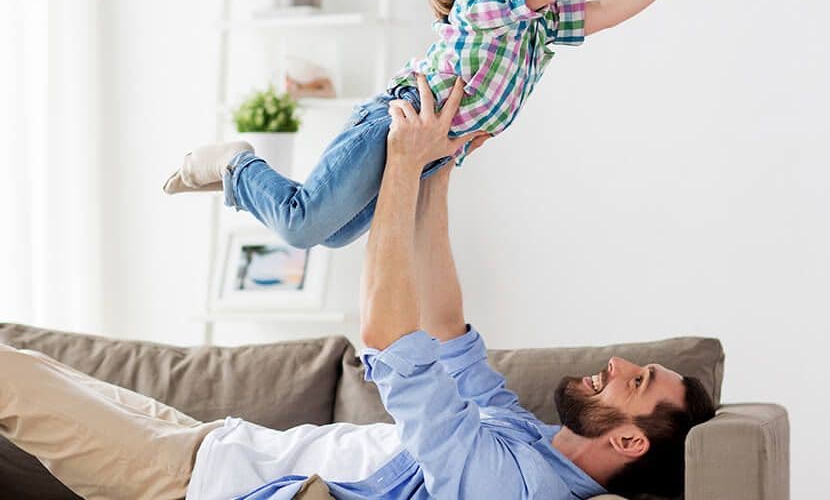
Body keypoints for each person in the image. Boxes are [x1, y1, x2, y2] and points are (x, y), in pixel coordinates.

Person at [0, 77, 715, 500]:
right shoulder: (533, 443)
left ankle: (239, 168)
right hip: (215, 442)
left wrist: (403, 166)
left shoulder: (510, 489)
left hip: (192, 482)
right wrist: (439, 171)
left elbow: (391, 342)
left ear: (628, 440)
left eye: (640, 379)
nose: (620, 364)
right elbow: (446, 334)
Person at [163, 0, 714, 250]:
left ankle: (236, 179)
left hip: (426, 151)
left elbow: (602, 10)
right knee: (303, 226)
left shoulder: (538, 22)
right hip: (394, 127)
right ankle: (237, 165)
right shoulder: (478, 5)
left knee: (331, 236)